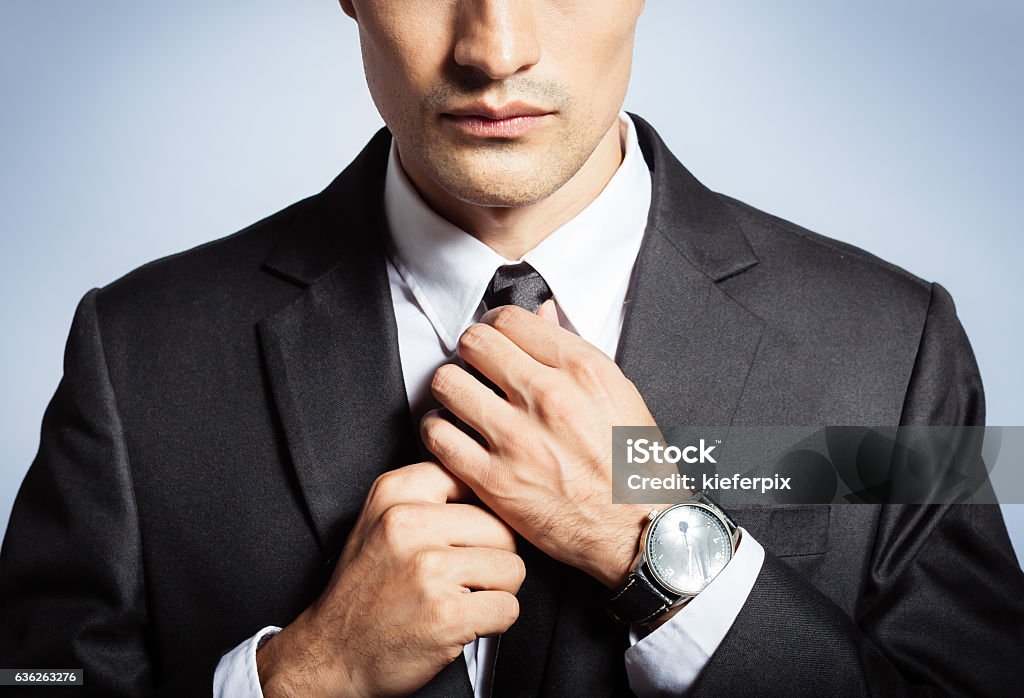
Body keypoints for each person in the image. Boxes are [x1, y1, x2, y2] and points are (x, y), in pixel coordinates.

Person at [1, 1, 1022, 696]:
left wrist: (661, 547)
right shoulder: (133, 353)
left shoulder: (896, 349)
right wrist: (301, 678)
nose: (493, 48)